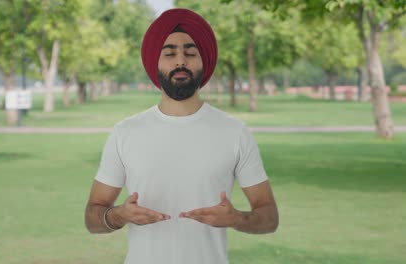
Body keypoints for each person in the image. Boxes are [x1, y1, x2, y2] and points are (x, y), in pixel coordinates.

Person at [85, 8, 278, 264]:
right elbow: (92, 218)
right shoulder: (125, 132)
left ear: (203, 61)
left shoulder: (235, 132)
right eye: (169, 53)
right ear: (155, 61)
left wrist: (236, 219)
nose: (180, 61)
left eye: (190, 53)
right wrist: (119, 215)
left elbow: (269, 217)